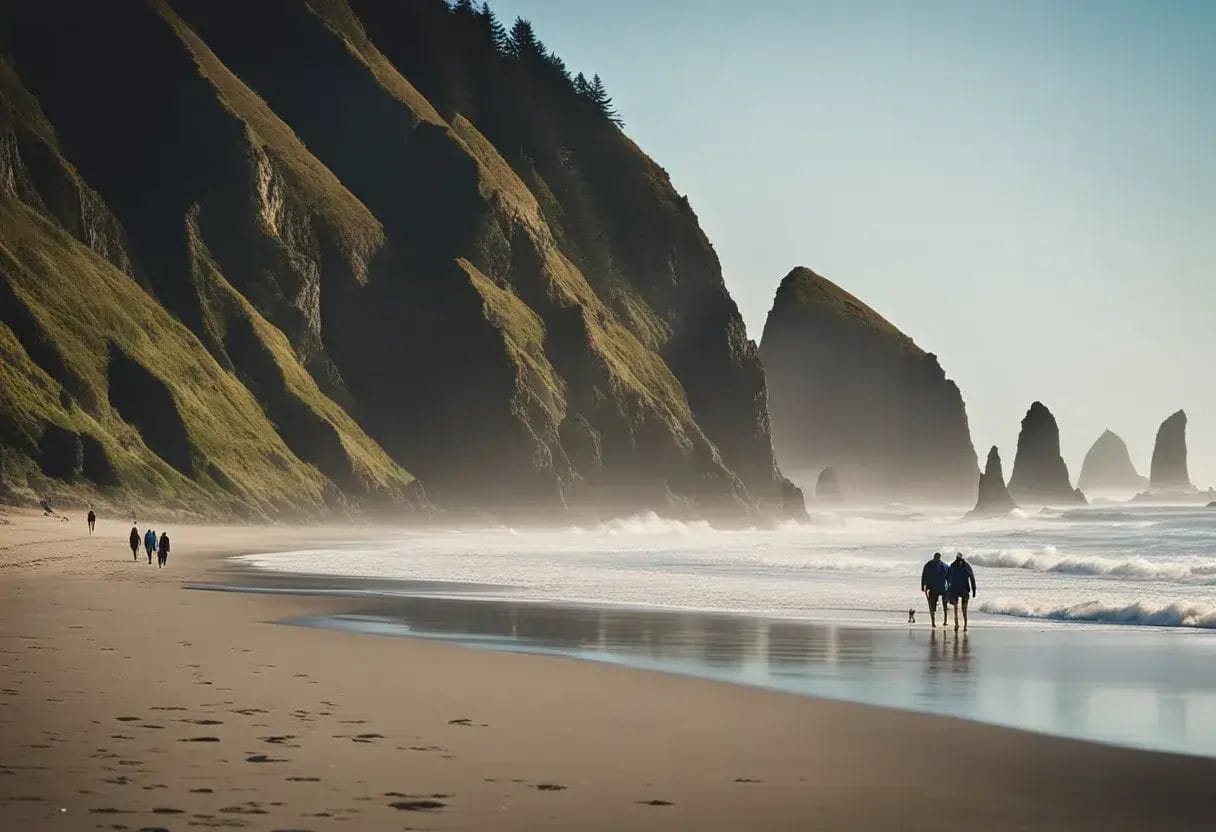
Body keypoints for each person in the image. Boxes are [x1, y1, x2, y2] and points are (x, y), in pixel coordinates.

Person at [946, 552, 977, 631]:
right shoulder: (966, 566)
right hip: (961, 589)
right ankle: (961, 625)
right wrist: (973, 590)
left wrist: (974, 589)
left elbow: (948, 577)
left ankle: (960, 625)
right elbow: (972, 577)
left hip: (957, 589)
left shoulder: (954, 565)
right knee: (961, 608)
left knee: (959, 608)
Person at [920, 552, 950, 628]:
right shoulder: (944, 565)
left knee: (932, 605)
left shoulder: (928, 565)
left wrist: (923, 586)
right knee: (945, 604)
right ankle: (945, 621)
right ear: (940, 557)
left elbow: (924, 576)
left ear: (934, 557)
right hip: (943, 588)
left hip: (932, 588)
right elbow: (949, 577)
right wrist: (950, 587)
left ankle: (933, 622)